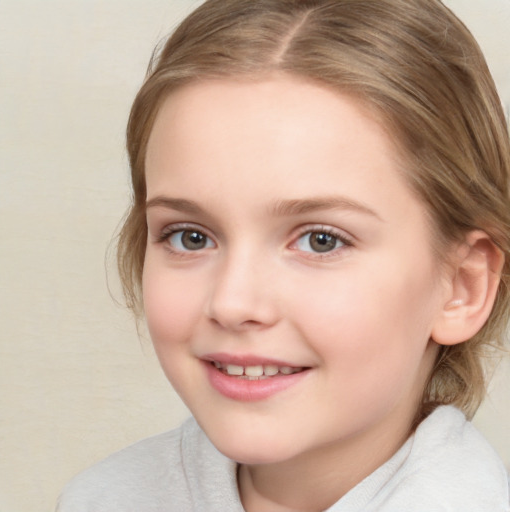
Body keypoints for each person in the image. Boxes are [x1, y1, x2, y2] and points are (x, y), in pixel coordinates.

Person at [57, 0, 510, 510]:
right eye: (190, 236)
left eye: (321, 240)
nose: (232, 302)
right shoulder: (102, 497)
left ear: (462, 286)